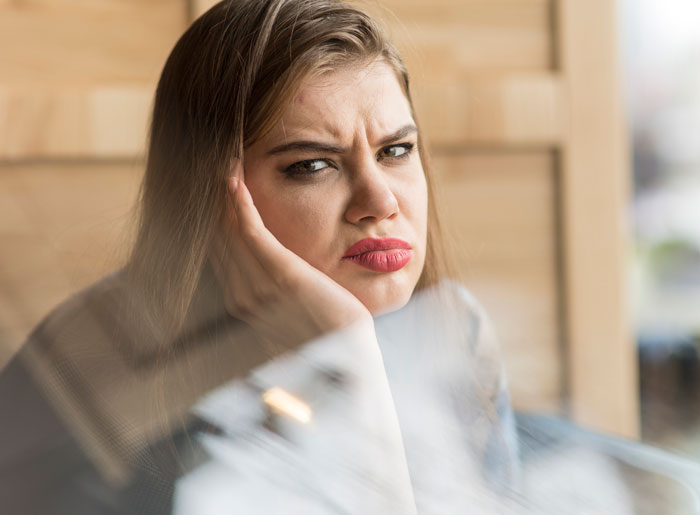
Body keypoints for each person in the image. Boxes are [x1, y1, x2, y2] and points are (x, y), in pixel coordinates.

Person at [0, 0, 519, 513]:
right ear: (210, 194)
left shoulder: (453, 328)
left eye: (396, 151)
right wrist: (348, 359)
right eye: (313, 164)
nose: (380, 202)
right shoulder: (85, 376)